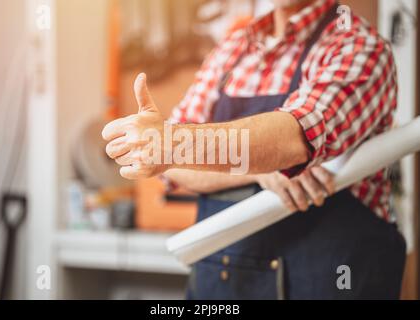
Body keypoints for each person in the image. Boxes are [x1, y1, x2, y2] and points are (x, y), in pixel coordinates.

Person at [102, 0, 406, 299]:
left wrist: (171, 143)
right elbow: (176, 167)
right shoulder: (233, 49)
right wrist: (259, 173)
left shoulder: (357, 47)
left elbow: (294, 137)